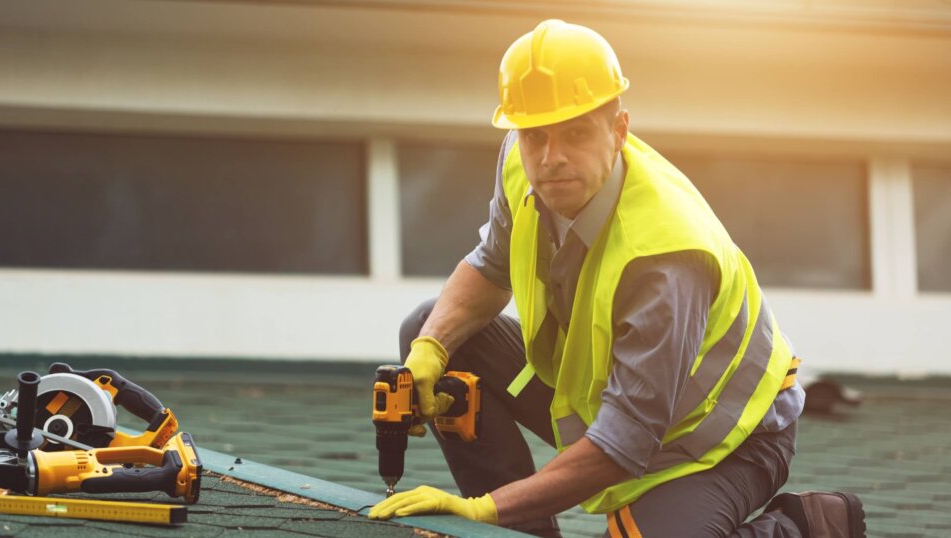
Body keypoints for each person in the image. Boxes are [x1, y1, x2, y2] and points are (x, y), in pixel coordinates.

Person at [369, 19, 865, 538]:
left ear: (619, 130)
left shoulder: (666, 254)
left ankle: (804, 528)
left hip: (722, 438)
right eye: (535, 135)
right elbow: (492, 266)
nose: (551, 157)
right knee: (432, 328)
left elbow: (622, 444)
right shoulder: (521, 159)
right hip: (614, 398)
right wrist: (431, 348)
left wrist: (484, 508)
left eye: (576, 133)